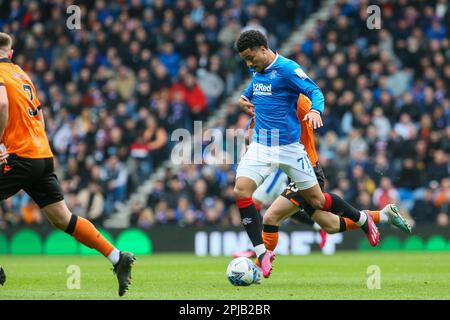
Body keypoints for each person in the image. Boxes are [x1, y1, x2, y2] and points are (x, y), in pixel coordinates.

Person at [233, 30, 379, 279]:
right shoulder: (255, 68)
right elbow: (254, 86)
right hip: (262, 145)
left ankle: (363, 219)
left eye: (250, 57)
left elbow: (315, 91)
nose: (249, 64)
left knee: (319, 202)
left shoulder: (288, 69)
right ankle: (261, 253)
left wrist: (315, 111)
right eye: (245, 60)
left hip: (290, 148)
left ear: (262, 48)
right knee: (241, 191)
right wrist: (243, 98)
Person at [0, 32, 135, 296]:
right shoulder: (22, 75)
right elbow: (40, 114)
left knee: (62, 218)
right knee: (62, 218)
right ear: (11, 53)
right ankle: (117, 257)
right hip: (40, 154)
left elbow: (2, 103)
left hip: (19, 154)